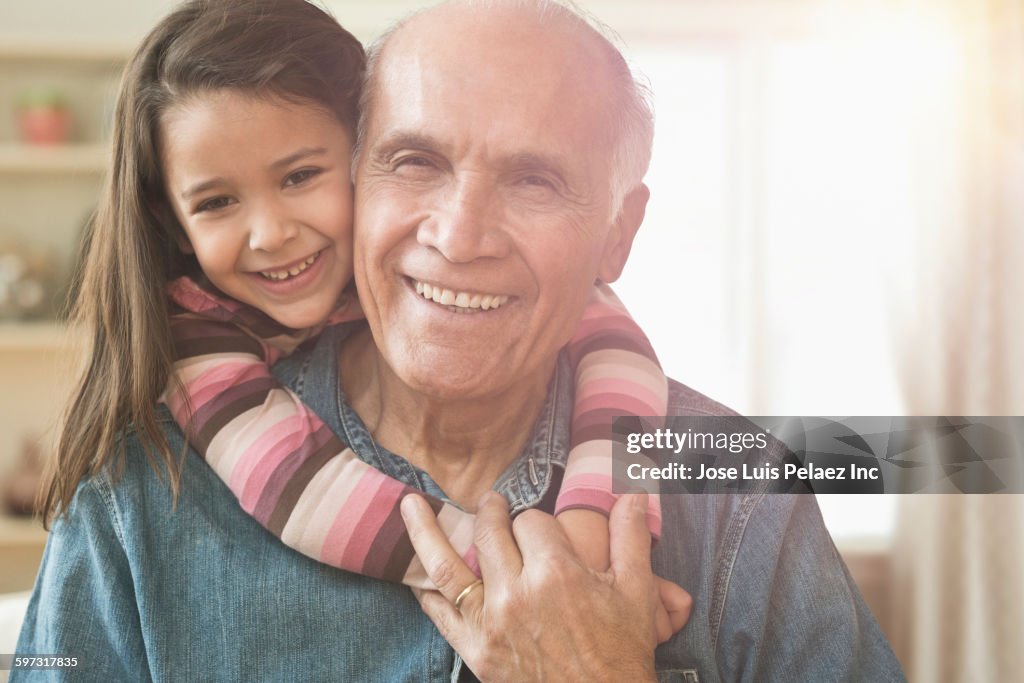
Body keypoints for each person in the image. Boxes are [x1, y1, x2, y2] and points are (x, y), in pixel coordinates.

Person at [15, 1, 905, 682]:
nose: (460, 234)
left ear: (618, 234)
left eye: (534, 179)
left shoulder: (743, 491)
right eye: (416, 162)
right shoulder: (138, 496)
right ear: (358, 173)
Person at [34, 0, 685, 626]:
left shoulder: (760, 477)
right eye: (418, 161)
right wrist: (535, 577)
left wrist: (595, 521)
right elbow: (299, 487)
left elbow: (613, 338)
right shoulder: (174, 416)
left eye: (298, 178)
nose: (271, 234)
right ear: (172, 224)